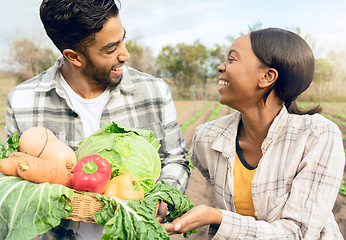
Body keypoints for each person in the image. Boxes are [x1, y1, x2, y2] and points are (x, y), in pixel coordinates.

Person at [5, 0, 190, 239]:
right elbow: (17, 179)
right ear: (74, 56)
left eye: (123, 39)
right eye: (111, 49)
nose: (126, 54)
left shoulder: (154, 91)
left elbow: (176, 159)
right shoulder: (22, 101)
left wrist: (161, 199)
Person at [163, 28, 345, 239]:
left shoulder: (317, 136)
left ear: (267, 76)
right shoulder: (208, 137)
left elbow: (300, 234)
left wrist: (219, 218)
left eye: (232, 59)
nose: (220, 67)